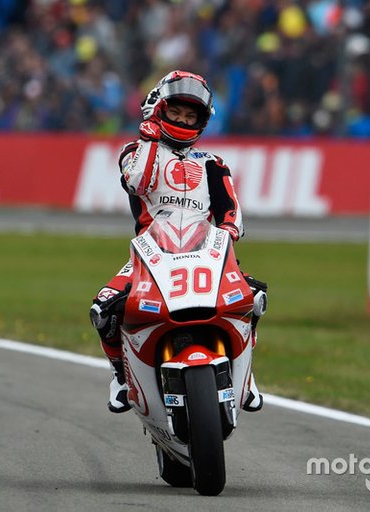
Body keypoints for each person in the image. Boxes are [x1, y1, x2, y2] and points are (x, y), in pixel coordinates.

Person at [89, 70, 266, 414]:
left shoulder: (214, 163)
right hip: (151, 252)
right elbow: (138, 183)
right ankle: (121, 376)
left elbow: (232, 211)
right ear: (159, 108)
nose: (183, 120)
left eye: (191, 116)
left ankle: (245, 374)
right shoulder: (133, 151)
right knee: (104, 308)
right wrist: (150, 139)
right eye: (176, 113)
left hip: (208, 251)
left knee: (253, 298)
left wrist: (225, 237)